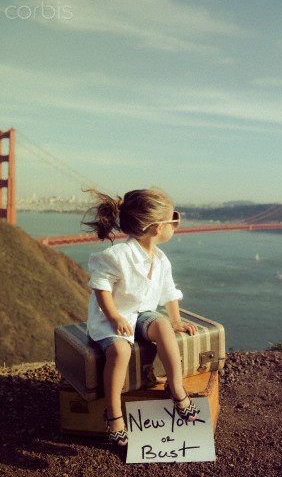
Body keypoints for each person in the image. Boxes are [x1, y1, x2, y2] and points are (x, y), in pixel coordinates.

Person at [83, 187, 199, 446]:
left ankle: (175, 386)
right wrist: (113, 317)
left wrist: (176, 320)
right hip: (111, 317)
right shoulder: (117, 256)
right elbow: (99, 287)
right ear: (158, 227)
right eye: (175, 219)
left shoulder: (160, 259)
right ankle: (113, 415)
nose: (177, 225)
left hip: (141, 314)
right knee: (121, 352)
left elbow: (169, 292)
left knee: (164, 326)